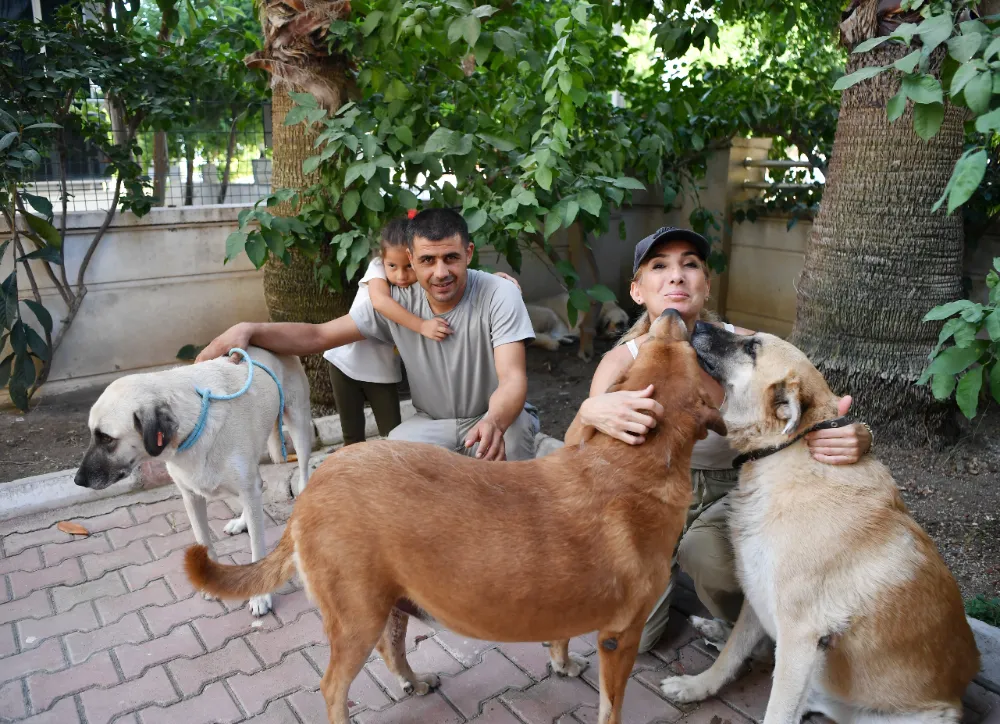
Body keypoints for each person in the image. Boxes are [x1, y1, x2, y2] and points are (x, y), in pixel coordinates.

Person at [560, 226, 873, 653]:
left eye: (690, 265)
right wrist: (588, 410)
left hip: (731, 486)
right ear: (637, 291)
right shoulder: (622, 362)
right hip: (652, 497)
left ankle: (750, 626)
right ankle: (665, 571)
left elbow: (816, 407)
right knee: (641, 639)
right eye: (659, 267)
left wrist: (858, 435)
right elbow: (584, 456)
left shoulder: (748, 348)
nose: (676, 276)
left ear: (706, 286)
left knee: (706, 556)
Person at [197, 207, 539, 461]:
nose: (440, 272)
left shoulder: (499, 294)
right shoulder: (397, 299)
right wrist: (249, 329)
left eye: (451, 258)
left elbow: (512, 379)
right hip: (430, 425)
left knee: (507, 487)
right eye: (428, 260)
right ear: (411, 259)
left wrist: (494, 421)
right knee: (385, 470)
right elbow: (318, 337)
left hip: (497, 420)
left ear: (468, 253)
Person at [323, 217, 451, 447]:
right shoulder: (377, 271)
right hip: (345, 363)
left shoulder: (424, 283)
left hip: (382, 371)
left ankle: (392, 480)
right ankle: (355, 481)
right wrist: (422, 326)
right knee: (352, 439)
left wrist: (493, 280)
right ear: (383, 260)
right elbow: (381, 302)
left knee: (394, 437)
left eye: (409, 266)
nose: (401, 276)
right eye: (393, 266)